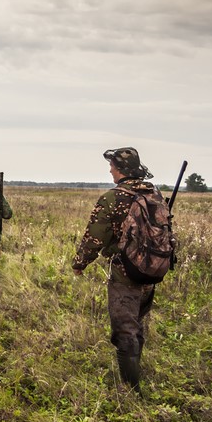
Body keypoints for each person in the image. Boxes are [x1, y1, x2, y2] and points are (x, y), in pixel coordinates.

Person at [72, 147, 160, 395]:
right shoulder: (154, 193)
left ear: (121, 169)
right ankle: (135, 374)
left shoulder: (113, 198)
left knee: (124, 328)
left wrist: (80, 263)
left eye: (112, 165)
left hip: (126, 271)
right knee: (137, 322)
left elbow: (95, 237)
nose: (110, 169)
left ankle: (132, 391)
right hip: (151, 271)